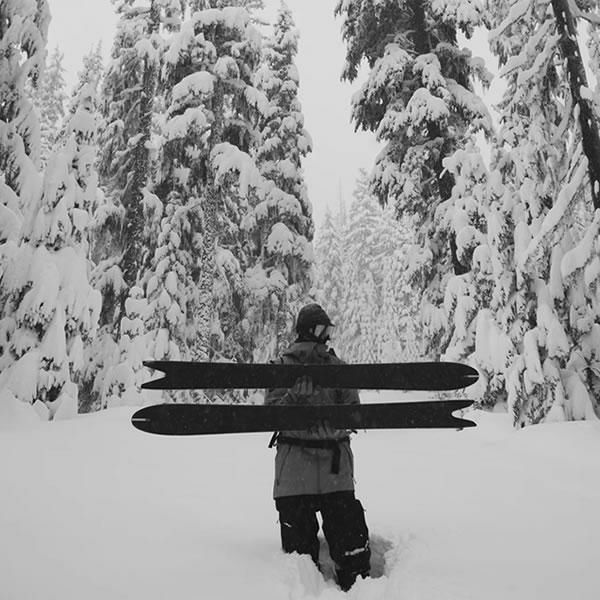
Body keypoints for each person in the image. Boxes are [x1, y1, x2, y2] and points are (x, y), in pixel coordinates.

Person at [265, 303, 371, 591]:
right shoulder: (290, 368)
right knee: (308, 564)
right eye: (322, 328)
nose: (327, 334)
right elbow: (271, 414)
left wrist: (335, 427)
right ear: (309, 330)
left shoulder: (325, 368)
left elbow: (352, 413)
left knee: (323, 561)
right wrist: (295, 402)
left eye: (328, 329)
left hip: (311, 473)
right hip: (313, 473)